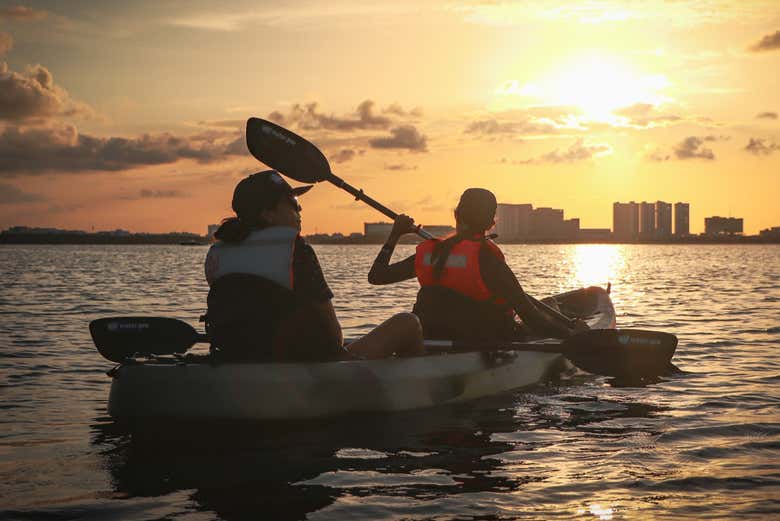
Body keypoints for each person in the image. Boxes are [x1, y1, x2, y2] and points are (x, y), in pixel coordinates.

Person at [204, 170, 423, 362]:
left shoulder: (219, 252)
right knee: (408, 323)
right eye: (294, 204)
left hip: (238, 355)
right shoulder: (295, 248)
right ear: (267, 214)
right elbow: (333, 336)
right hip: (309, 362)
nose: (300, 211)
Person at [368, 188, 588, 342]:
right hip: (485, 342)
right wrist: (572, 335)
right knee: (547, 308)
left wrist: (395, 234)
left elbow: (377, 276)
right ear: (492, 222)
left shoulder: (431, 252)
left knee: (548, 304)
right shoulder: (487, 258)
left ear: (456, 215)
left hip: (433, 338)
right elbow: (531, 316)